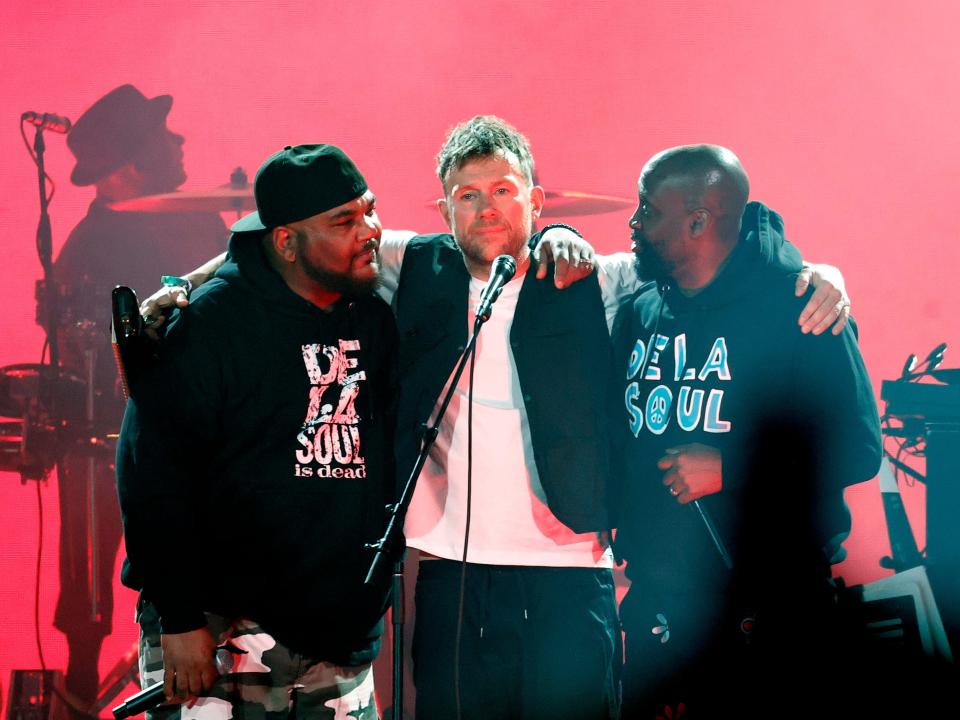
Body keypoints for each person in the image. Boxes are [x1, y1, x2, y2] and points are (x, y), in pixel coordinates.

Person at [139, 118, 851, 720]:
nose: (486, 208)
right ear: (443, 209)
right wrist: (188, 286)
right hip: (452, 566)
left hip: (572, 565)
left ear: (537, 199)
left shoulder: (597, 277)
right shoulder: (409, 265)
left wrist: (816, 272)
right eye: (466, 195)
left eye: (504, 191)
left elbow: (717, 249)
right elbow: (277, 249)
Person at [116, 144, 397, 719]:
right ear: (287, 242)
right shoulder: (213, 324)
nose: (369, 231)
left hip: (336, 637)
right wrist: (181, 617)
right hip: (222, 635)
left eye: (369, 210)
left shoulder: (372, 315)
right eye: (344, 221)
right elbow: (151, 474)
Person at [612, 145, 882, 718]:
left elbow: (856, 447)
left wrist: (731, 467)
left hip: (773, 607)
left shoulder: (799, 306)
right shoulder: (639, 311)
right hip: (661, 605)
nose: (633, 224)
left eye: (647, 211)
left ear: (698, 219)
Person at [50, 84, 228, 706]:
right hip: (111, 433)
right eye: (162, 135)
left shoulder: (201, 220)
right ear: (127, 164)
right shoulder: (88, 246)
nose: (178, 141)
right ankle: (78, 688)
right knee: (91, 568)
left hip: (207, 430)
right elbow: (77, 353)